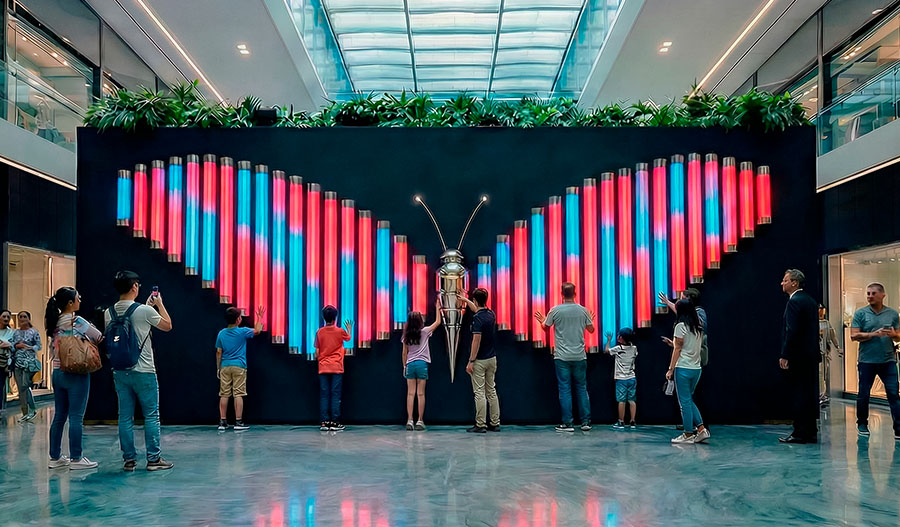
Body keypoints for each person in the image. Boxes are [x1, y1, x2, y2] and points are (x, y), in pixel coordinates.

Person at [106, 270, 174, 471]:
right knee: (151, 414)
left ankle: (129, 460)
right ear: (134, 286)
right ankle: (153, 459)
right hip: (144, 370)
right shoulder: (145, 311)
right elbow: (167, 325)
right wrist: (159, 304)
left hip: (119, 370)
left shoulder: (108, 312)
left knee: (124, 416)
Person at [45, 287, 103, 469]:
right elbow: (98, 336)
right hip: (76, 373)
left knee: (60, 415)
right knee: (76, 416)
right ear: (70, 303)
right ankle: (76, 458)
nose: (80, 299)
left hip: (57, 372)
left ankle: (55, 457)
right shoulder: (76, 321)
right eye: (78, 297)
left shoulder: (53, 322)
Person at [534, 282, 595, 432]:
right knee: (581, 388)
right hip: (580, 356)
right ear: (575, 293)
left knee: (565, 390)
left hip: (561, 357)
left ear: (562, 294)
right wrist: (589, 320)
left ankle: (567, 423)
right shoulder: (583, 311)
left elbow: (545, 328)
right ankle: (585, 422)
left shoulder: (555, 310)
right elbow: (591, 330)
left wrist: (542, 320)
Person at [850, 282, 900, 439]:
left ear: (882, 295)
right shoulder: (861, 314)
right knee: (863, 394)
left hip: (888, 360)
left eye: (873, 293)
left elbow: (899, 335)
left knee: (893, 394)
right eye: (868, 294)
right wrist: (873, 334)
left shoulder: (892, 314)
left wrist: (893, 335)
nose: (870, 296)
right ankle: (862, 423)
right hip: (867, 361)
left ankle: (898, 427)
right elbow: (853, 335)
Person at [778, 268, 821, 444]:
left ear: (794, 282)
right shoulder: (810, 301)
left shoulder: (794, 302)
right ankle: (810, 431)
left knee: (799, 395)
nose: (782, 283)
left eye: (785, 280)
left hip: (799, 356)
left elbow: (792, 330)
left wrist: (785, 354)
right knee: (810, 394)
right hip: (810, 355)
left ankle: (800, 432)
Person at [663, 299, 710, 444]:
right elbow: (689, 346)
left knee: (684, 402)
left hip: (683, 367)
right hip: (696, 369)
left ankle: (688, 434)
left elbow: (678, 349)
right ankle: (701, 429)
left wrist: (670, 369)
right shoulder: (698, 327)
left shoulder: (680, 326)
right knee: (688, 399)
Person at [215, 305, 265, 431]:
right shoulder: (242, 331)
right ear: (238, 320)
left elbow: (218, 352)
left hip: (225, 366)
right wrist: (259, 317)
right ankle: (238, 422)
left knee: (224, 394)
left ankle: (222, 422)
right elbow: (258, 330)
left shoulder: (221, 333)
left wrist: (218, 367)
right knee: (238, 393)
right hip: (239, 366)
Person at [460, 287, 500, 433]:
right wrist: (465, 299)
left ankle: (481, 424)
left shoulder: (477, 319)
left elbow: (476, 341)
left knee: (479, 392)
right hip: (492, 358)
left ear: (476, 300)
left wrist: (471, 361)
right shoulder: (491, 314)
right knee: (491, 390)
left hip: (480, 360)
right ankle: (495, 422)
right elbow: (477, 309)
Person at [402, 298, 442, 431]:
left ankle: (409, 420)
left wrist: (404, 366)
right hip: (422, 364)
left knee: (410, 394)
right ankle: (420, 420)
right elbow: (438, 322)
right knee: (421, 394)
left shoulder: (406, 336)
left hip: (410, 364)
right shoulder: (425, 331)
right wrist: (438, 308)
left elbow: (404, 353)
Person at [314, 305, 352, 432]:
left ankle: (324, 422)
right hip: (337, 367)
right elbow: (348, 338)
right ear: (335, 317)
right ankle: (335, 422)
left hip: (323, 367)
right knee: (335, 395)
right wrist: (349, 329)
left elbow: (317, 352)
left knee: (324, 394)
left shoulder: (319, 332)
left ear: (324, 318)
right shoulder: (340, 331)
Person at [604, 328, 638, 430]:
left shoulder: (618, 349)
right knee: (632, 400)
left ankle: (621, 421)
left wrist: (609, 340)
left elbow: (606, 351)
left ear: (621, 338)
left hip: (621, 379)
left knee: (621, 400)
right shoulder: (634, 348)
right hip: (632, 378)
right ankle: (632, 421)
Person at [11, 311, 41, 422]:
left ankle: (32, 409)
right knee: (20, 388)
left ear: (29, 318)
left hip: (29, 363)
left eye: (24, 316)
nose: (22, 319)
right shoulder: (16, 333)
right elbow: (13, 347)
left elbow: (39, 346)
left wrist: (28, 347)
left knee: (25, 386)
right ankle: (25, 412)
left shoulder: (34, 332)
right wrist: (17, 346)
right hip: (18, 362)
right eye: (20, 317)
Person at [818, 304, 841, 405]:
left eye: (822, 311)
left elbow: (833, 336)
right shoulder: (811, 323)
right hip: (815, 353)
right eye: (819, 311)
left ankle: (822, 394)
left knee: (824, 373)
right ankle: (819, 394)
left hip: (824, 353)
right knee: (819, 373)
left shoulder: (826, 323)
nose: (820, 313)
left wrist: (838, 347)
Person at [0, 309, 14, 417]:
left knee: (1, 386)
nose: (6, 319)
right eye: (4, 316)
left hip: (4, 364)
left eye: (8, 317)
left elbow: (15, 346)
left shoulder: (12, 332)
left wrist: (9, 345)